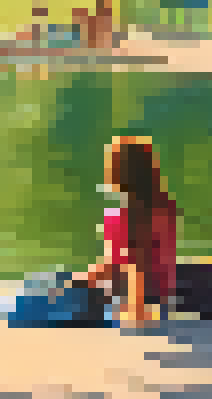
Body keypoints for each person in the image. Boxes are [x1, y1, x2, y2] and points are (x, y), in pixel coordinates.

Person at [73, 136, 180, 325]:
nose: (107, 170)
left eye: (112, 164)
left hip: (129, 295)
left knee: (45, 290)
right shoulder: (164, 207)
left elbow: (136, 264)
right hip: (157, 292)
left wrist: (136, 310)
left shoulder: (132, 216)